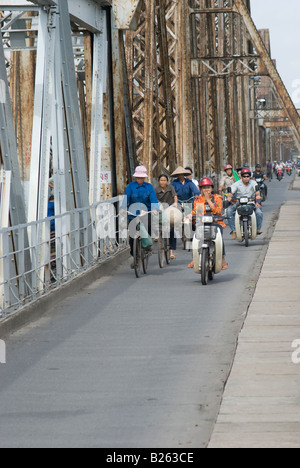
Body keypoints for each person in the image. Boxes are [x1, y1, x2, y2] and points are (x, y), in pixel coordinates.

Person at [120, 166, 159, 267]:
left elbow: (153, 199)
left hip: (146, 212)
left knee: (148, 228)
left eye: (141, 178)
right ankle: (135, 257)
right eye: (138, 177)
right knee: (132, 238)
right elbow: (126, 198)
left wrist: (154, 209)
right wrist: (123, 208)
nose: (139, 179)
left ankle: (147, 246)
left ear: (144, 178)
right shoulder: (130, 187)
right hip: (133, 213)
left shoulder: (149, 187)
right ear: (135, 177)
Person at [188, 177, 228, 271]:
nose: (206, 189)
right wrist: (191, 215)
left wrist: (209, 200)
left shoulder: (217, 198)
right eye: (204, 187)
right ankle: (195, 258)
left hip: (216, 223)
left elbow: (217, 211)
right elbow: (197, 212)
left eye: (208, 187)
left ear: (212, 188)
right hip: (203, 223)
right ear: (201, 189)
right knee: (196, 238)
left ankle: (222, 259)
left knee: (220, 239)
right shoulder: (198, 199)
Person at [227, 168, 263, 239]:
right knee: (228, 211)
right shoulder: (237, 184)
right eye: (244, 176)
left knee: (259, 213)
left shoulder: (253, 183)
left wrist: (258, 196)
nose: (246, 178)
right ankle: (234, 231)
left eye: (247, 176)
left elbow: (257, 191)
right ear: (241, 177)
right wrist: (229, 197)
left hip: (250, 202)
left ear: (250, 177)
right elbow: (231, 192)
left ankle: (258, 229)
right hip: (239, 203)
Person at [155, 174, 178, 260]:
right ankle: (156, 234)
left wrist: (175, 203)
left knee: (172, 229)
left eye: (164, 180)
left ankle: (171, 251)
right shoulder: (156, 189)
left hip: (170, 207)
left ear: (167, 181)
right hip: (160, 208)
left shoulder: (171, 188)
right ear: (159, 181)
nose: (163, 182)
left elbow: (175, 196)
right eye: (161, 180)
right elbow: (154, 199)